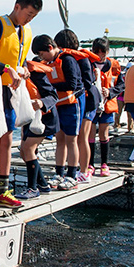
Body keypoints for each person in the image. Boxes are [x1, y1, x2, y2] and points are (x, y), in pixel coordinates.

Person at [0, 0, 42, 209]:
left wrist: (22, 70)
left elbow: (20, 59)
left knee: (7, 141)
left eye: (33, 16)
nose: (29, 19)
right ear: (17, 7)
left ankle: (4, 190)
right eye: (28, 14)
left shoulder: (26, 31)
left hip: (12, 92)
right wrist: (6, 69)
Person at [32, 33, 81, 191]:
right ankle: (59, 172)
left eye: (41, 54)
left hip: (70, 104)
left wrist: (52, 89)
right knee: (60, 139)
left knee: (71, 140)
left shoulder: (67, 59)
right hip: (57, 105)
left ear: (50, 48)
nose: (42, 57)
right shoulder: (49, 62)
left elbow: (72, 83)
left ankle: (72, 175)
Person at [53, 31, 101, 184]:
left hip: (87, 100)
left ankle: (84, 171)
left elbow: (87, 81)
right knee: (70, 137)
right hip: (72, 100)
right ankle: (68, 170)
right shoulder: (64, 58)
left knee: (82, 136)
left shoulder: (80, 59)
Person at [16, 55, 59, 199]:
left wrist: (41, 103)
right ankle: (43, 185)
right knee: (24, 151)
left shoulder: (36, 73)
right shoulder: (13, 75)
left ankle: (32, 189)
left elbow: (53, 95)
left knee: (29, 149)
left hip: (44, 117)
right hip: (28, 117)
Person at [88, 38, 121, 176]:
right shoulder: (88, 63)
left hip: (107, 105)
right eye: (97, 52)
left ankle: (104, 164)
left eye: (103, 52)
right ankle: (90, 164)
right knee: (89, 135)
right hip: (92, 105)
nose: (100, 55)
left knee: (103, 134)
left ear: (108, 51)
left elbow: (121, 85)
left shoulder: (114, 65)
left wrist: (110, 92)